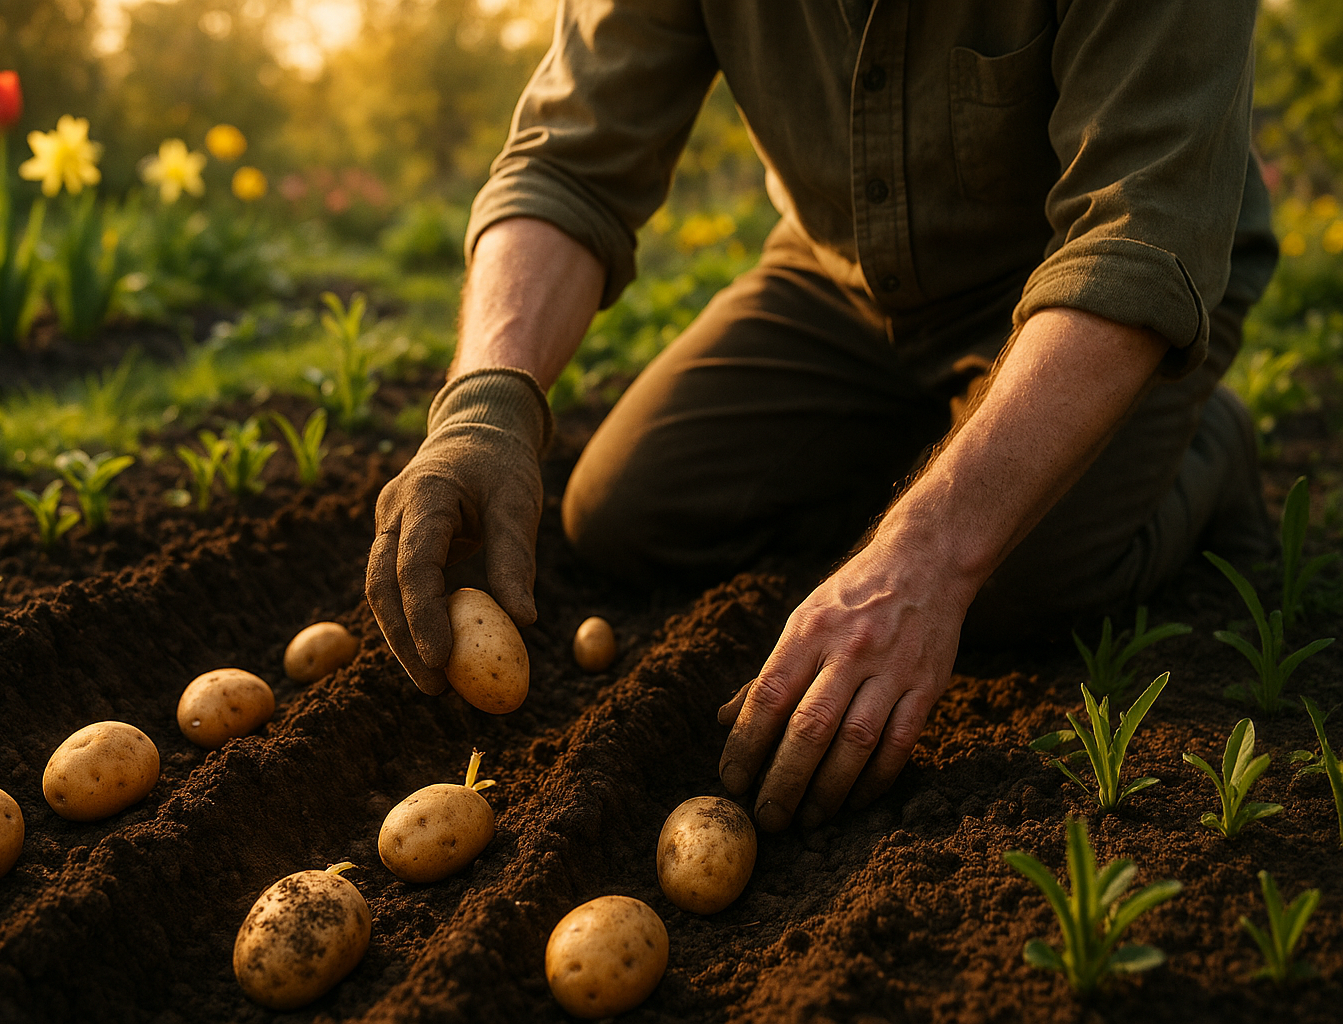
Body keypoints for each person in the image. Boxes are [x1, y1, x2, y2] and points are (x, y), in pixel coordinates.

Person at [366, 0, 1279, 832]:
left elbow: (1137, 235)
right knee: (628, 512)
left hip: (1096, 283)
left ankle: (1206, 441)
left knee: (1014, 581)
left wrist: (929, 556)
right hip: (840, 277)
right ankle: (949, 445)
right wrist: (484, 406)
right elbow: (569, 163)